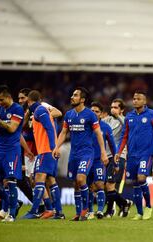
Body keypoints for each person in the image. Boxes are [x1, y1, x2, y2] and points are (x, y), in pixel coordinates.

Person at [52, 87, 108, 221]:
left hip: (86, 153)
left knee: (81, 179)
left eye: (75, 95)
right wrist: (56, 147)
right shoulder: (69, 114)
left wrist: (103, 152)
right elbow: (64, 132)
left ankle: (85, 210)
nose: (72, 97)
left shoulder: (90, 115)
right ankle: (78, 213)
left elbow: (98, 134)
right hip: (74, 154)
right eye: (72, 95)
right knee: (75, 184)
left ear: (82, 99)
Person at [0, 85, 25, 222]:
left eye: (1, 99)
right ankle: (13, 202)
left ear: (8, 97)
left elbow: (12, 129)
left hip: (12, 150)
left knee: (10, 181)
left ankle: (12, 214)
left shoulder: (17, 109)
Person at [22, 90, 65, 219]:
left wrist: (53, 147)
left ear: (29, 101)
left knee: (38, 178)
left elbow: (50, 128)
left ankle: (34, 210)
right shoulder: (41, 110)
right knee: (50, 180)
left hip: (46, 150)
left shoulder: (40, 111)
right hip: (47, 150)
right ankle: (58, 212)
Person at [115, 91, 153, 220]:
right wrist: (119, 152)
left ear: (144, 101)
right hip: (132, 155)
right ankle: (139, 212)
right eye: (133, 99)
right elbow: (124, 136)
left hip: (146, 153)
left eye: (138, 99)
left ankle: (148, 206)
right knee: (135, 183)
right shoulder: (129, 117)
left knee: (142, 178)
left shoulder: (152, 115)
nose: (135, 101)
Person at [103, 98, 133, 218]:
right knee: (107, 185)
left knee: (109, 185)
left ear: (122, 110)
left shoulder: (125, 120)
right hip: (106, 155)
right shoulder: (107, 120)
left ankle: (114, 208)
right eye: (111, 107)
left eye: (116, 107)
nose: (113, 110)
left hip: (119, 156)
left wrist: (119, 117)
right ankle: (123, 204)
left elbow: (127, 129)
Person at [87, 102, 116, 219]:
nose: (94, 113)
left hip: (99, 160)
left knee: (99, 184)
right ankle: (89, 211)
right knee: (87, 186)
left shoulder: (105, 127)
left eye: (97, 111)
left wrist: (115, 161)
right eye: (92, 111)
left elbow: (113, 145)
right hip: (86, 159)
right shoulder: (84, 125)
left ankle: (99, 210)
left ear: (101, 114)